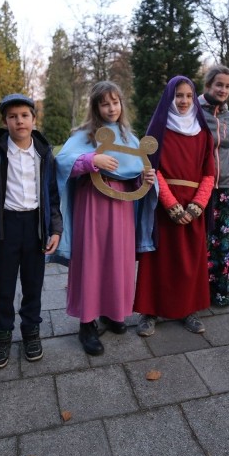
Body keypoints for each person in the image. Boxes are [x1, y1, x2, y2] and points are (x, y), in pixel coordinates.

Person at [55, 81, 157, 355]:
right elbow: (63, 162)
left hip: (122, 205)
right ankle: (86, 323)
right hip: (93, 202)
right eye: (104, 103)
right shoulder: (85, 135)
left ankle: (112, 313)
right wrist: (91, 161)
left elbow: (138, 169)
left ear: (121, 104)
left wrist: (147, 178)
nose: (111, 108)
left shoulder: (129, 136)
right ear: (96, 106)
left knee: (117, 258)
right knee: (92, 258)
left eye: (115, 102)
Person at [0, 94, 63, 368]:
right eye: (13, 116)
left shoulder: (44, 153)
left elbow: (52, 194)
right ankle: (1, 334)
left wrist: (55, 228)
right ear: (5, 122)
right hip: (6, 227)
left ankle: (30, 331)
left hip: (35, 226)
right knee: (4, 285)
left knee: (33, 284)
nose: (19, 121)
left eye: (24, 115)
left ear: (34, 120)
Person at [134, 75, 215, 337]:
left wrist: (197, 205)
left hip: (193, 208)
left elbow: (209, 173)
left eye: (189, 96)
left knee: (189, 261)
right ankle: (150, 311)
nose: (183, 101)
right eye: (178, 95)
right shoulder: (157, 131)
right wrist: (170, 204)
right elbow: (150, 167)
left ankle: (188, 309)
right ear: (169, 97)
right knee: (159, 260)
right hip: (163, 205)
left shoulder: (204, 134)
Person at [199, 65, 229, 308]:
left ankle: (220, 292)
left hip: (226, 187)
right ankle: (197, 292)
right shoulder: (194, 112)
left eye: (227, 86)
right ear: (208, 85)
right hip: (200, 186)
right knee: (199, 241)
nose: (223, 89)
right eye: (219, 84)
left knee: (222, 242)